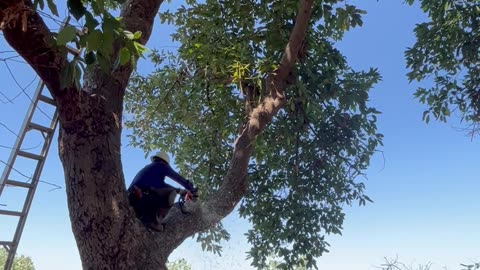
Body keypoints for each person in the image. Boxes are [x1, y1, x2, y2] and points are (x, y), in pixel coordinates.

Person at [128, 151, 197, 231]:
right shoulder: (162, 166)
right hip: (142, 197)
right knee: (171, 194)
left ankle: (145, 217)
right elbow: (178, 178)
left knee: (168, 192)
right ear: (165, 162)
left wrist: (182, 191)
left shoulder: (150, 169)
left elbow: (162, 186)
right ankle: (153, 221)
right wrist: (192, 189)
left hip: (133, 199)